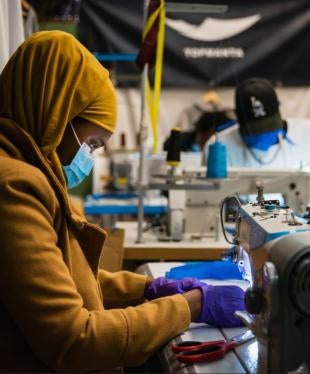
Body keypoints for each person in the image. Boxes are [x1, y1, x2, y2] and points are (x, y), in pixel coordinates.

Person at [0, 31, 245, 372]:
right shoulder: (14, 186)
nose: (91, 157)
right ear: (56, 115)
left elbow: (66, 278)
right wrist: (189, 306)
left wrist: (149, 289)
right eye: (93, 143)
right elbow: (74, 340)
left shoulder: (27, 172)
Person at [207, 77, 310, 221]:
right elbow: (219, 210)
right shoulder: (218, 146)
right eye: (255, 130)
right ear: (237, 119)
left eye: (267, 127)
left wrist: (307, 208)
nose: (262, 134)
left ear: (278, 109)